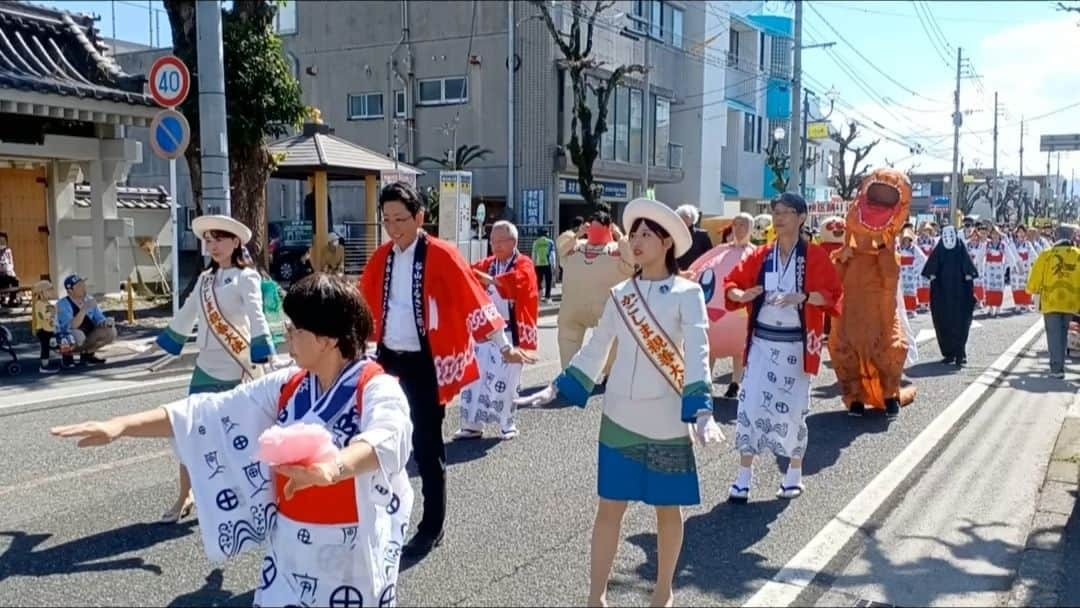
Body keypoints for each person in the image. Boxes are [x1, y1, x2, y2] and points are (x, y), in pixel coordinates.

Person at [52, 273, 413, 607]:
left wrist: (333, 467)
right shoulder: (288, 385)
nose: (287, 335)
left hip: (347, 550)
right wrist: (120, 426)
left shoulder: (375, 387)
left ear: (327, 338)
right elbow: (207, 412)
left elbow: (386, 437)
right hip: (289, 547)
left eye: (294, 328)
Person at [516, 197, 723, 608]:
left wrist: (702, 409)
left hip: (665, 416)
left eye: (648, 234)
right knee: (609, 507)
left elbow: (699, 351)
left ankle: (662, 592)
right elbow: (596, 348)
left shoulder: (687, 293)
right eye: (635, 234)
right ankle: (597, 596)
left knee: (668, 508)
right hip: (619, 416)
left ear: (667, 244)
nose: (638, 241)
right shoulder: (620, 294)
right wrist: (558, 386)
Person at [359, 181, 533, 559]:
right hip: (387, 360)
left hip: (426, 362)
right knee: (379, 440)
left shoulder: (442, 254)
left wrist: (505, 347)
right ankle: (382, 517)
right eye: (386, 219)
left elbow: (474, 301)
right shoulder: (382, 258)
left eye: (400, 219)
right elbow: (364, 303)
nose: (393, 227)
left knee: (426, 445)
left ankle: (432, 525)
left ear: (420, 216)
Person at [154, 215, 275, 523]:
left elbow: (256, 315)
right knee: (189, 430)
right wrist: (164, 342)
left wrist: (264, 350)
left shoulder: (247, 277)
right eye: (208, 240)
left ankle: (254, 494)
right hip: (206, 366)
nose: (213, 245)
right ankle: (185, 496)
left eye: (219, 239)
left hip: (239, 366)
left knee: (243, 435)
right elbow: (187, 313)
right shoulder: (205, 280)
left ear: (235, 242)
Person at [723, 192, 842, 502]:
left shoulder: (814, 257)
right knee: (749, 406)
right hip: (762, 342)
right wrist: (740, 295)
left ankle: (793, 474)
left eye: (786, 212)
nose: (778, 217)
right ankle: (743, 476)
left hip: (795, 345)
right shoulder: (761, 255)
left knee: (792, 410)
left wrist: (804, 297)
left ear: (801, 217)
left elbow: (832, 294)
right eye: (775, 211)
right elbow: (732, 283)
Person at [455, 220, 540, 440]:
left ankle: (507, 423)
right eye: (493, 241)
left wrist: (493, 281)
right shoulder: (488, 263)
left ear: (513, 241)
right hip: (484, 333)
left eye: (501, 241)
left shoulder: (524, 263)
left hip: (511, 333)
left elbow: (522, 283)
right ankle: (472, 424)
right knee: (474, 378)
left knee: (507, 382)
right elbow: (468, 275)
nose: (496, 245)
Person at [556, 208, 635, 368]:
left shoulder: (617, 248)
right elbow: (561, 247)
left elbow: (631, 264)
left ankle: (609, 372)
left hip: (606, 309)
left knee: (612, 342)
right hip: (574, 309)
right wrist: (577, 234)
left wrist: (619, 236)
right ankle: (569, 372)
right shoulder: (575, 245)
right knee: (569, 339)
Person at [688, 212, 755, 398]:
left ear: (751, 228)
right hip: (711, 313)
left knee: (740, 351)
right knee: (709, 348)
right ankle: (705, 382)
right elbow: (697, 268)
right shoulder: (720, 251)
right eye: (736, 224)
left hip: (740, 314)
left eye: (743, 225)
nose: (739, 228)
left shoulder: (755, 254)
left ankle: (735, 383)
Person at [1026, 224, 1080, 379]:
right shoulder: (1077, 255)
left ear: (1056, 236)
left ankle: (1056, 368)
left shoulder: (1047, 255)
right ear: (1071, 237)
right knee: (1063, 332)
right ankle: (1060, 364)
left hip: (1051, 300)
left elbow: (1034, 278)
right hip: (1071, 301)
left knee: (1054, 333)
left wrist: (1031, 289)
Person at [921, 225, 978, 368]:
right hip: (943, 294)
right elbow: (932, 266)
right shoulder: (940, 249)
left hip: (960, 293)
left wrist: (968, 275)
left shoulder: (960, 248)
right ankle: (948, 353)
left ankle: (960, 353)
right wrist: (932, 274)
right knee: (943, 322)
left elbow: (968, 267)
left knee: (961, 323)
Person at [55, 274, 117, 367]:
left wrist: (105, 322)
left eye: (83, 284)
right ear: (70, 291)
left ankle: (88, 355)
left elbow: (99, 318)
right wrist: (84, 309)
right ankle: (67, 356)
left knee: (110, 332)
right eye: (79, 286)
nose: (83, 287)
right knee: (78, 335)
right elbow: (71, 326)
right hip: (67, 337)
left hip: (88, 334)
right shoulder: (62, 304)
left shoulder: (89, 299)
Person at [982, 225, 1017, 318]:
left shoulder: (1003, 245)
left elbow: (1010, 256)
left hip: (999, 269)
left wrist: (1010, 266)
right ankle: (990, 308)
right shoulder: (987, 245)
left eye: (997, 234)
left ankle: (997, 308)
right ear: (991, 235)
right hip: (989, 269)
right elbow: (980, 255)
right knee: (989, 289)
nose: (995, 236)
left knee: (998, 289)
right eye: (993, 234)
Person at [898, 227, 928, 318]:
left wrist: (914, 267)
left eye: (907, 239)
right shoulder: (899, 248)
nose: (906, 241)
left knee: (911, 291)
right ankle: (905, 309)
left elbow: (922, 258)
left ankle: (911, 309)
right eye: (904, 239)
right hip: (902, 271)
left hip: (910, 272)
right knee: (903, 291)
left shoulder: (914, 248)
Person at [675, 204, 715, 270]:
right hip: (678, 272)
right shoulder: (674, 234)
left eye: (687, 216)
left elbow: (709, 255)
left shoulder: (702, 235)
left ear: (693, 217)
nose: (684, 219)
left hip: (697, 271)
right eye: (681, 216)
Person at [32, 280, 59, 374]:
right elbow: (42, 316)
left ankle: (65, 359)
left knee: (50, 345)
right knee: (45, 347)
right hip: (43, 329)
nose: (51, 291)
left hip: (49, 328)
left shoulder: (47, 303)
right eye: (49, 289)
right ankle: (44, 366)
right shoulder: (39, 304)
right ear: (41, 292)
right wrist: (52, 312)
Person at [1009, 225, 1037, 313]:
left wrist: (1036, 262)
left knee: (1026, 286)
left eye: (1022, 232)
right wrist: (1014, 264)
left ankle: (1027, 305)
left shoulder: (1028, 244)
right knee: (1016, 286)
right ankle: (1018, 305)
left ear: (1025, 234)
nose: (1021, 234)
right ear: (1016, 234)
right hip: (1016, 268)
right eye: (1019, 232)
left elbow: (1033, 255)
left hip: (1026, 268)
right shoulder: (1012, 244)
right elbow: (1010, 256)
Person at [531, 228, 556, 302]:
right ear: (546, 233)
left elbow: (533, 254)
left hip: (538, 265)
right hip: (547, 264)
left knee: (538, 280)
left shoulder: (535, 242)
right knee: (548, 281)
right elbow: (552, 255)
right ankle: (547, 297)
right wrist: (553, 265)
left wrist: (533, 264)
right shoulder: (550, 242)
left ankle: (539, 293)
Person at [0, 232, 18, 307]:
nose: (2, 243)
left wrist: (9, 269)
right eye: (0, 241)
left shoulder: (8, 251)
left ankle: (12, 299)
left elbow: (11, 263)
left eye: (3, 241)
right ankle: (2, 298)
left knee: (15, 280)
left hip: (7, 273)